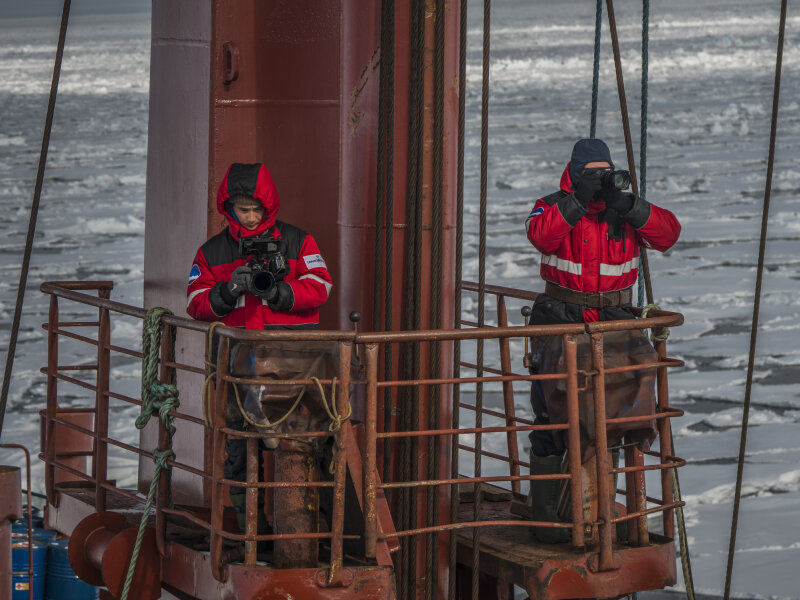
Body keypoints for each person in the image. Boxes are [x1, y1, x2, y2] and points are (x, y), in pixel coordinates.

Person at [523, 138, 680, 542]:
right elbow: (541, 237)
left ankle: (597, 510)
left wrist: (628, 205)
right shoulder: (552, 204)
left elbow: (668, 235)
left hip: (614, 319)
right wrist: (577, 202)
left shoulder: (624, 212)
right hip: (561, 316)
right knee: (552, 413)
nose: (600, 180)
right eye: (591, 174)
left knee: (616, 413)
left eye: (604, 172)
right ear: (574, 173)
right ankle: (548, 519)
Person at [187, 162, 333, 533]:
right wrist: (230, 289)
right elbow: (195, 302)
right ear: (229, 208)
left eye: (256, 209)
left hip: (295, 365)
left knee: (303, 444)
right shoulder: (212, 252)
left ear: (268, 207)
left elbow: (321, 286)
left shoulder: (299, 241)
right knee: (239, 448)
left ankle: (310, 525)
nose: (250, 217)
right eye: (242, 209)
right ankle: (251, 529)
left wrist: (280, 292)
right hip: (237, 367)